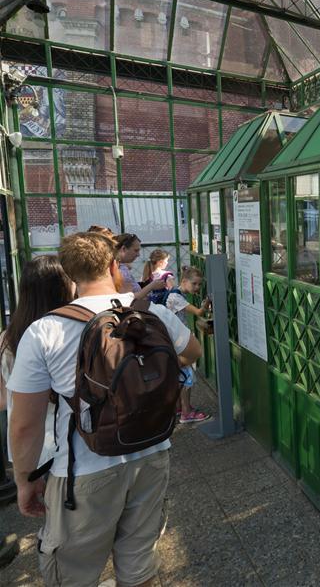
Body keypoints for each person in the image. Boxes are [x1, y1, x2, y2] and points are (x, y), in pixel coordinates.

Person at [8, 232, 202, 587]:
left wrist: (25, 480)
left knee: (72, 574)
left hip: (83, 470)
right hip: (152, 452)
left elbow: (24, 425)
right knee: (139, 565)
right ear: (113, 266)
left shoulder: (45, 331)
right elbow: (192, 352)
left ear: (68, 276)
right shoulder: (150, 312)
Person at [0, 256, 73, 570]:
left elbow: (3, 402)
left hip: (28, 450)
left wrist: (22, 479)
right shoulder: (67, 333)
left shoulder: (7, 338)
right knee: (66, 517)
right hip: (64, 443)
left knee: (54, 512)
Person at [165, 266, 211, 424]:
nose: (197, 287)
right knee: (186, 376)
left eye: (199, 284)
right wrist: (206, 304)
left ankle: (179, 408)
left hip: (173, 339)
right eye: (194, 284)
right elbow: (198, 312)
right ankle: (187, 412)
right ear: (184, 281)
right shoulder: (177, 298)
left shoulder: (175, 294)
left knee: (179, 376)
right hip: (178, 342)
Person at [114, 233, 165, 300]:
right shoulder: (120, 271)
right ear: (123, 249)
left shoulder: (121, 267)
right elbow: (127, 299)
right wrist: (151, 286)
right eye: (136, 250)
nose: (138, 254)